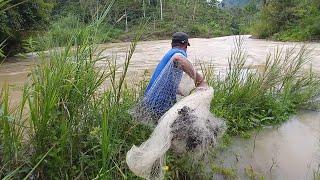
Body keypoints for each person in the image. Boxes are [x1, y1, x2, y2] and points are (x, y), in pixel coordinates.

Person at [133, 32, 207, 124]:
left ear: (172, 44)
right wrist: (200, 80)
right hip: (159, 105)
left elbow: (167, 84)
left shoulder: (169, 54)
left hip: (149, 104)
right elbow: (178, 59)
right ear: (185, 45)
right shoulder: (178, 52)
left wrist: (184, 93)